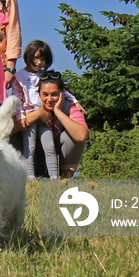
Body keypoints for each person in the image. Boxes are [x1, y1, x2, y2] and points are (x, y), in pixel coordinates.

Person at [12, 40, 85, 180]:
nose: (39, 62)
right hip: (29, 116)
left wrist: (74, 101)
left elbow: (62, 90)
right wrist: (21, 117)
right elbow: (17, 98)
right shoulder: (20, 77)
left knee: (49, 146)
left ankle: (54, 177)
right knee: (30, 148)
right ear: (28, 57)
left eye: (42, 59)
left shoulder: (43, 75)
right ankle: (30, 176)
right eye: (36, 58)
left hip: (45, 117)